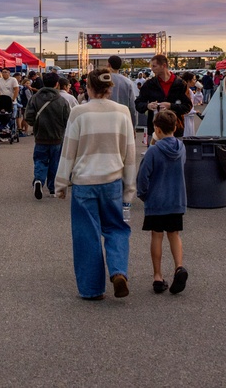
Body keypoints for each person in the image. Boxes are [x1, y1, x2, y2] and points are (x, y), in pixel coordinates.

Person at [55, 69, 137, 300]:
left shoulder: (79, 113)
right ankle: (119, 271)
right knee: (116, 229)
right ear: (110, 89)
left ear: (88, 88)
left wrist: (61, 183)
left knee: (86, 235)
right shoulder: (122, 113)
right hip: (112, 181)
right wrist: (129, 188)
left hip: (84, 182)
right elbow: (129, 153)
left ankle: (92, 289)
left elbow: (68, 151)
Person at [136, 109, 188, 295]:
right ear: (175, 127)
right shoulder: (181, 148)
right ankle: (179, 267)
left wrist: (143, 194)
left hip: (157, 200)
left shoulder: (153, 151)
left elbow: (143, 176)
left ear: (156, 129)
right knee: (174, 234)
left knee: (156, 235)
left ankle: (157, 276)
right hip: (176, 199)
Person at [25, 72, 71, 199]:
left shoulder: (35, 98)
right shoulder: (62, 101)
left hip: (40, 135)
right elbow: (68, 120)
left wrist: (36, 124)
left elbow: (28, 117)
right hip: (57, 137)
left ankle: (39, 180)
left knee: (40, 160)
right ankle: (52, 188)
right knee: (55, 163)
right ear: (57, 84)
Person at [135, 54, 193, 138]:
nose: (152, 69)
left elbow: (188, 106)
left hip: (175, 132)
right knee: (154, 151)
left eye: (154, 66)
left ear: (164, 66)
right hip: (155, 131)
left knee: (175, 151)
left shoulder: (180, 84)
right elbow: (138, 104)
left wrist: (170, 106)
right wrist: (148, 106)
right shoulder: (149, 84)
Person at [107, 55, 137, 128]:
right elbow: (132, 107)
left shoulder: (102, 80)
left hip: (105, 121)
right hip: (123, 122)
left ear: (108, 65)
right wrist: (133, 125)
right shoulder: (127, 82)